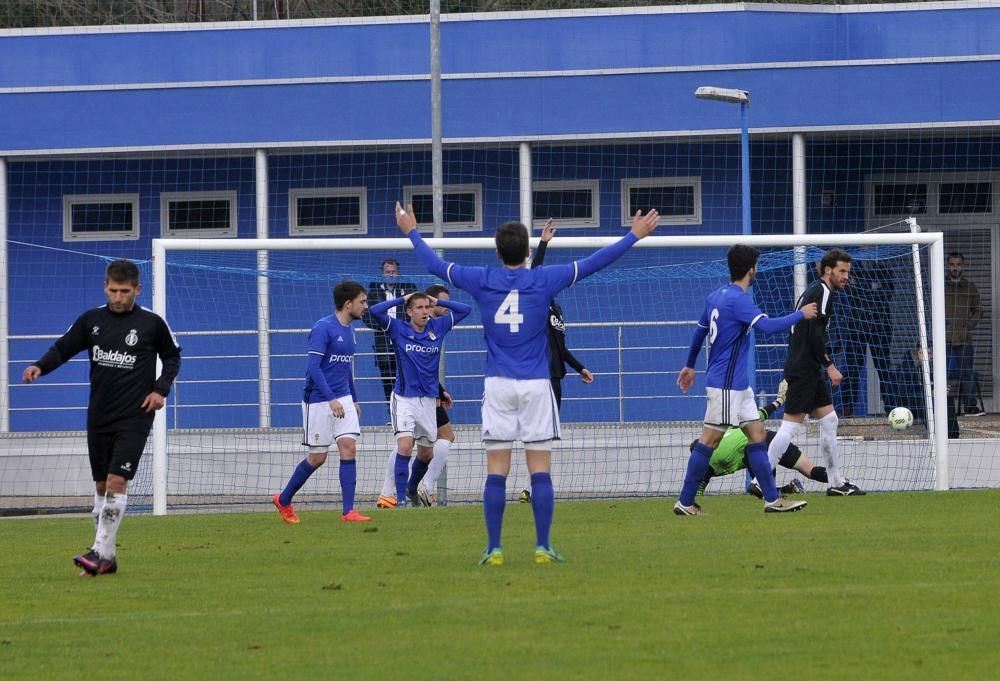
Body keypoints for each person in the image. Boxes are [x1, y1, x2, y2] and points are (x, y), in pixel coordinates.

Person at [396, 201, 659, 566]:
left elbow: (434, 266)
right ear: (527, 250)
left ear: (497, 249)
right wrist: (634, 235)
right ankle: (541, 546)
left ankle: (494, 548)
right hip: (537, 385)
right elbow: (596, 262)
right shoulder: (543, 279)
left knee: (496, 470)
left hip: (499, 385)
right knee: (539, 468)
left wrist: (411, 229)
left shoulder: (481, 279)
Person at [22, 259, 181, 576]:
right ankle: (107, 558)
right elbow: (63, 348)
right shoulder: (91, 320)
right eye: (113, 290)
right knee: (99, 488)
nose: (118, 297)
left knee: (116, 482)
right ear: (105, 287)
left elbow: (172, 356)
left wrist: (160, 390)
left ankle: (98, 552)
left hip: (135, 416)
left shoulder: (151, 323)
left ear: (137, 289)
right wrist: (40, 365)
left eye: (125, 291)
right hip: (99, 415)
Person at [676, 244, 816, 516]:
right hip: (726, 385)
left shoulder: (716, 296)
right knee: (709, 440)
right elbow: (766, 327)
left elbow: (699, 332)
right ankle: (685, 501)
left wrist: (689, 365)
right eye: (757, 267)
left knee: (757, 435)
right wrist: (801, 314)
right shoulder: (738, 299)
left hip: (739, 386)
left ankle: (772, 499)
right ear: (751, 270)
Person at [766, 249, 865, 497]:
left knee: (830, 420)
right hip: (804, 368)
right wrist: (830, 365)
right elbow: (814, 335)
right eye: (842, 271)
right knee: (790, 426)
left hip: (810, 368)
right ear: (828, 270)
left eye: (848, 272)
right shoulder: (820, 292)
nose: (846, 276)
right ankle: (761, 478)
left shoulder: (822, 292)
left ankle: (836, 483)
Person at [272, 280, 372, 524]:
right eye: (362, 302)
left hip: (343, 398)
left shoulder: (351, 331)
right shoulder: (323, 328)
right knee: (318, 457)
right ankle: (283, 500)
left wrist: (353, 399)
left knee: (349, 448)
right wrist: (331, 400)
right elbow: (314, 368)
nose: (366, 306)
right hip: (318, 400)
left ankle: (348, 511)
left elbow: (345, 368)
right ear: (348, 304)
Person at [369, 289, 470, 509]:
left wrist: (438, 301)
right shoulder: (398, 328)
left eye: (427, 307)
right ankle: (397, 499)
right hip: (404, 399)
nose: (425, 311)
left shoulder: (438, 327)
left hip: (428, 401)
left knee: (426, 453)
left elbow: (466, 310)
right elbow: (375, 310)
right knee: (405, 446)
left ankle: (414, 489)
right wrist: (403, 298)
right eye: (420, 308)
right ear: (409, 312)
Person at [693, 384, 830, 497]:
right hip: (773, 439)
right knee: (810, 470)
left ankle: (779, 493)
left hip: (756, 451)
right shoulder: (729, 430)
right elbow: (760, 415)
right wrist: (779, 401)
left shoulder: (707, 464)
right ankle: (841, 482)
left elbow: (697, 492)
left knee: (760, 489)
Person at [530, 219, 594, 409]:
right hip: (540, 375)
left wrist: (580, 368)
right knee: (539, 428)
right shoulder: (536, 305)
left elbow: (561, 348)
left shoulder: (556, 310)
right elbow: (534, 276)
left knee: (552, 428)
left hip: (556, 375)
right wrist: (543, 244)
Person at [840, 257, 897, 416]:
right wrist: (871, 289)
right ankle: (848, 408)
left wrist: (864, 290)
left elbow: (888, 293)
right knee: (852, 369)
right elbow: (851, 293)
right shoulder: (852, 270)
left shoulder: (883, 270)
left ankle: (891, 407)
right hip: (856, 327)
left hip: (881, 326)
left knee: (884, 368)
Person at [363, 259, 417, 417]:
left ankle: (407, 414)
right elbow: (367, 316)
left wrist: (401, 328)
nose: (391, 275)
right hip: (384, 344)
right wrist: (385, 326)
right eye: (388, 272)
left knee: (407, 377)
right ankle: (392, 414)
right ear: (382, 274)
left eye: (393, 272)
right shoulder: (373, 293)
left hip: (405, 341)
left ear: (398, 274)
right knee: (388, 381)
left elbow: (415, 310)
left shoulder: (409, 289)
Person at [944, 252, 983, 415]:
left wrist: (969, 325)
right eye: (952, 264)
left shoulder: (970, 287)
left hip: (963, 336)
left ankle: (970, 406)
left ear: (963, 266)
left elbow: (978, 310)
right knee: (940, 372)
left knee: (967, 371)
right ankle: (940, 406)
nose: (955, 268)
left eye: (958, 264)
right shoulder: (940, 284)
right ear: (948, 266)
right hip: (943, 337)